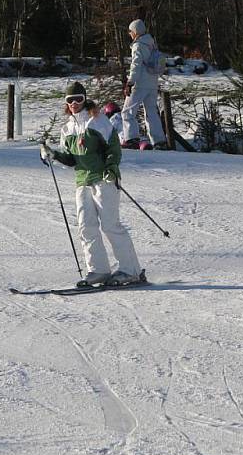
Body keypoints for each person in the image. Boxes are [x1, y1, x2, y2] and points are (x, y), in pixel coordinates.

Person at [40, 81, 144, 286]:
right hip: (82, 181)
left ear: (85, 99)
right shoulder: (67, 129)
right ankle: (98, 270)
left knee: (110, 225)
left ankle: (130, 270)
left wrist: (112, 168)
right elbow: (71, 159)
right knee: (86, 227)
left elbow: (114, 147)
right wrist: (53, 155)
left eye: (79, 99)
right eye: (70, 100)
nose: (74, 103)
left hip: (103, 179)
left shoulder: (97, 121)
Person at [121, 19, 168, 150]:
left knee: (127, 111)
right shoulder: (152, 43)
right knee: (152, 112)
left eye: (130, 31)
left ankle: (131, 139)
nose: (130, 34)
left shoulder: (138, 45)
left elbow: (135, 65)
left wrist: (130, 82)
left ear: (135, 32)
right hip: (152, 84)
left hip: (139, 84)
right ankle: (159, 141)